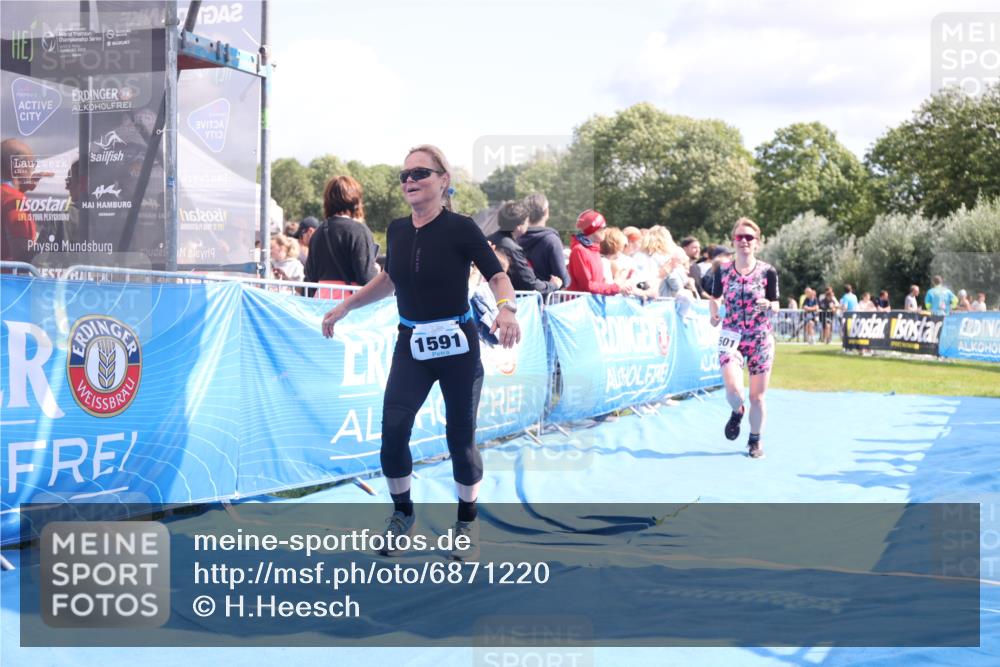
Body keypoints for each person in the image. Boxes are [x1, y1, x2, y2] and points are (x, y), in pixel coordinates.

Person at [321, 144, 519, 562]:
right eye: (405, 175)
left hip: (458, 346)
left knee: (460, 438)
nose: (409, 180)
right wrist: (346, 306)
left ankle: (467, 521)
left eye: (420, 173)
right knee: (393, 430)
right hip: (412, 345)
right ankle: (403, 514)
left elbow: (498, 276)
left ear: (443, 180)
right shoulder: (396, 229)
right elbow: (388, 280)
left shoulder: (462, 228)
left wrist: (507, 310)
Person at [709, 218, 779, 459]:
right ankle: (737, 410)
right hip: (732, 336)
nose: (744, 241)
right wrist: (714, 313)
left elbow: (776, 304)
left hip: (760, 338)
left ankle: (755, 440)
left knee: (757, 397)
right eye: (740, 237)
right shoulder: (723, 270)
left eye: (749, 237)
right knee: (733, 390)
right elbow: (715, 297)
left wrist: (769, 304)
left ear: (757, 242)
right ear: (733, 241)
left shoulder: (768, 271)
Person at [304, 175, 379, 297]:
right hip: (351, 302)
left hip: (322, 301)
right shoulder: (359, 230)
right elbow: (365, 277)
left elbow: (310, 277)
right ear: (355, 200)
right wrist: (375, 271)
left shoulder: (318, 233)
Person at [487, 200, 561, 294]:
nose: (528, 224)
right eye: (527, 221)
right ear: (519, 226)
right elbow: (530, 284)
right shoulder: (512, 249)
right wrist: (553, 285)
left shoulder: (489, 239)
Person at [568, 209, 633, 296]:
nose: (605, 231)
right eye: (603, 228)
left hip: (592, 302)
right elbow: (587, 285)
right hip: (581, 302)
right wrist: (616, 288)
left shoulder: (595, 250)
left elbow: (599, 283)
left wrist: (620, 283)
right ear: (593, 229)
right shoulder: (579, 250)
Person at [1, 138, 45, 262]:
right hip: (10, 274)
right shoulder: (15, 199)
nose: (33, 169)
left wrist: (20, 189)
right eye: (31, 164)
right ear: (17, 165)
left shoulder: (9, 197)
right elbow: (21, 253)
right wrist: (46, 242)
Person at [518, 193, 570, 288]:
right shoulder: (552, 241)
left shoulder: (514, 238)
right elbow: (562, 279)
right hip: (546, 295)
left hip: (516, 295)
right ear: (546, 212)